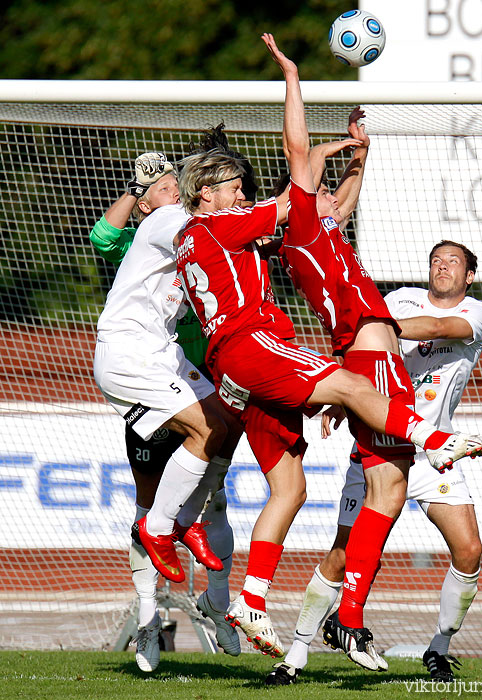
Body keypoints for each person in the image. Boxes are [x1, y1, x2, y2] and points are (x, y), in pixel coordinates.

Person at [173, 33, 482, 661]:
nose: (331, 201)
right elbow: (301, 161)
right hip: (359, 354)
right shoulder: (294, 225)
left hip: (306, 355)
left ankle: (311, 622)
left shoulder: (315, 226)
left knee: (360, 489)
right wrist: (297, 88)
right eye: (319, 190)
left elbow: (337, 198)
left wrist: (356, 154)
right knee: (387, 485)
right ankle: (435, 445)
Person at [267, 238, 482, 684]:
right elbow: (361, 353)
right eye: (436, 260)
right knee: (341, 555)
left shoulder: (476, 312)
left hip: (432, 450)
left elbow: (433, 328)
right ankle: (294, 656)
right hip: (378, 441)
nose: (442, 267)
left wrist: (377, 326)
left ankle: (439, 650)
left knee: (468, 550)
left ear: (468, 276)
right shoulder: (397, 299)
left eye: (453, 262)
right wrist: (341, 394)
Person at [92, 144, 256, 670]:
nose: (168, 188)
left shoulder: (198, 229)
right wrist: (276, 208)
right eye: (230, 187)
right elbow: (107, 235)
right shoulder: (170, 218)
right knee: (191, 451)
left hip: (170, 358)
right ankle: (153, 581)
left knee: (227, 426)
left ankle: (182, 525)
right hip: (129, 357)